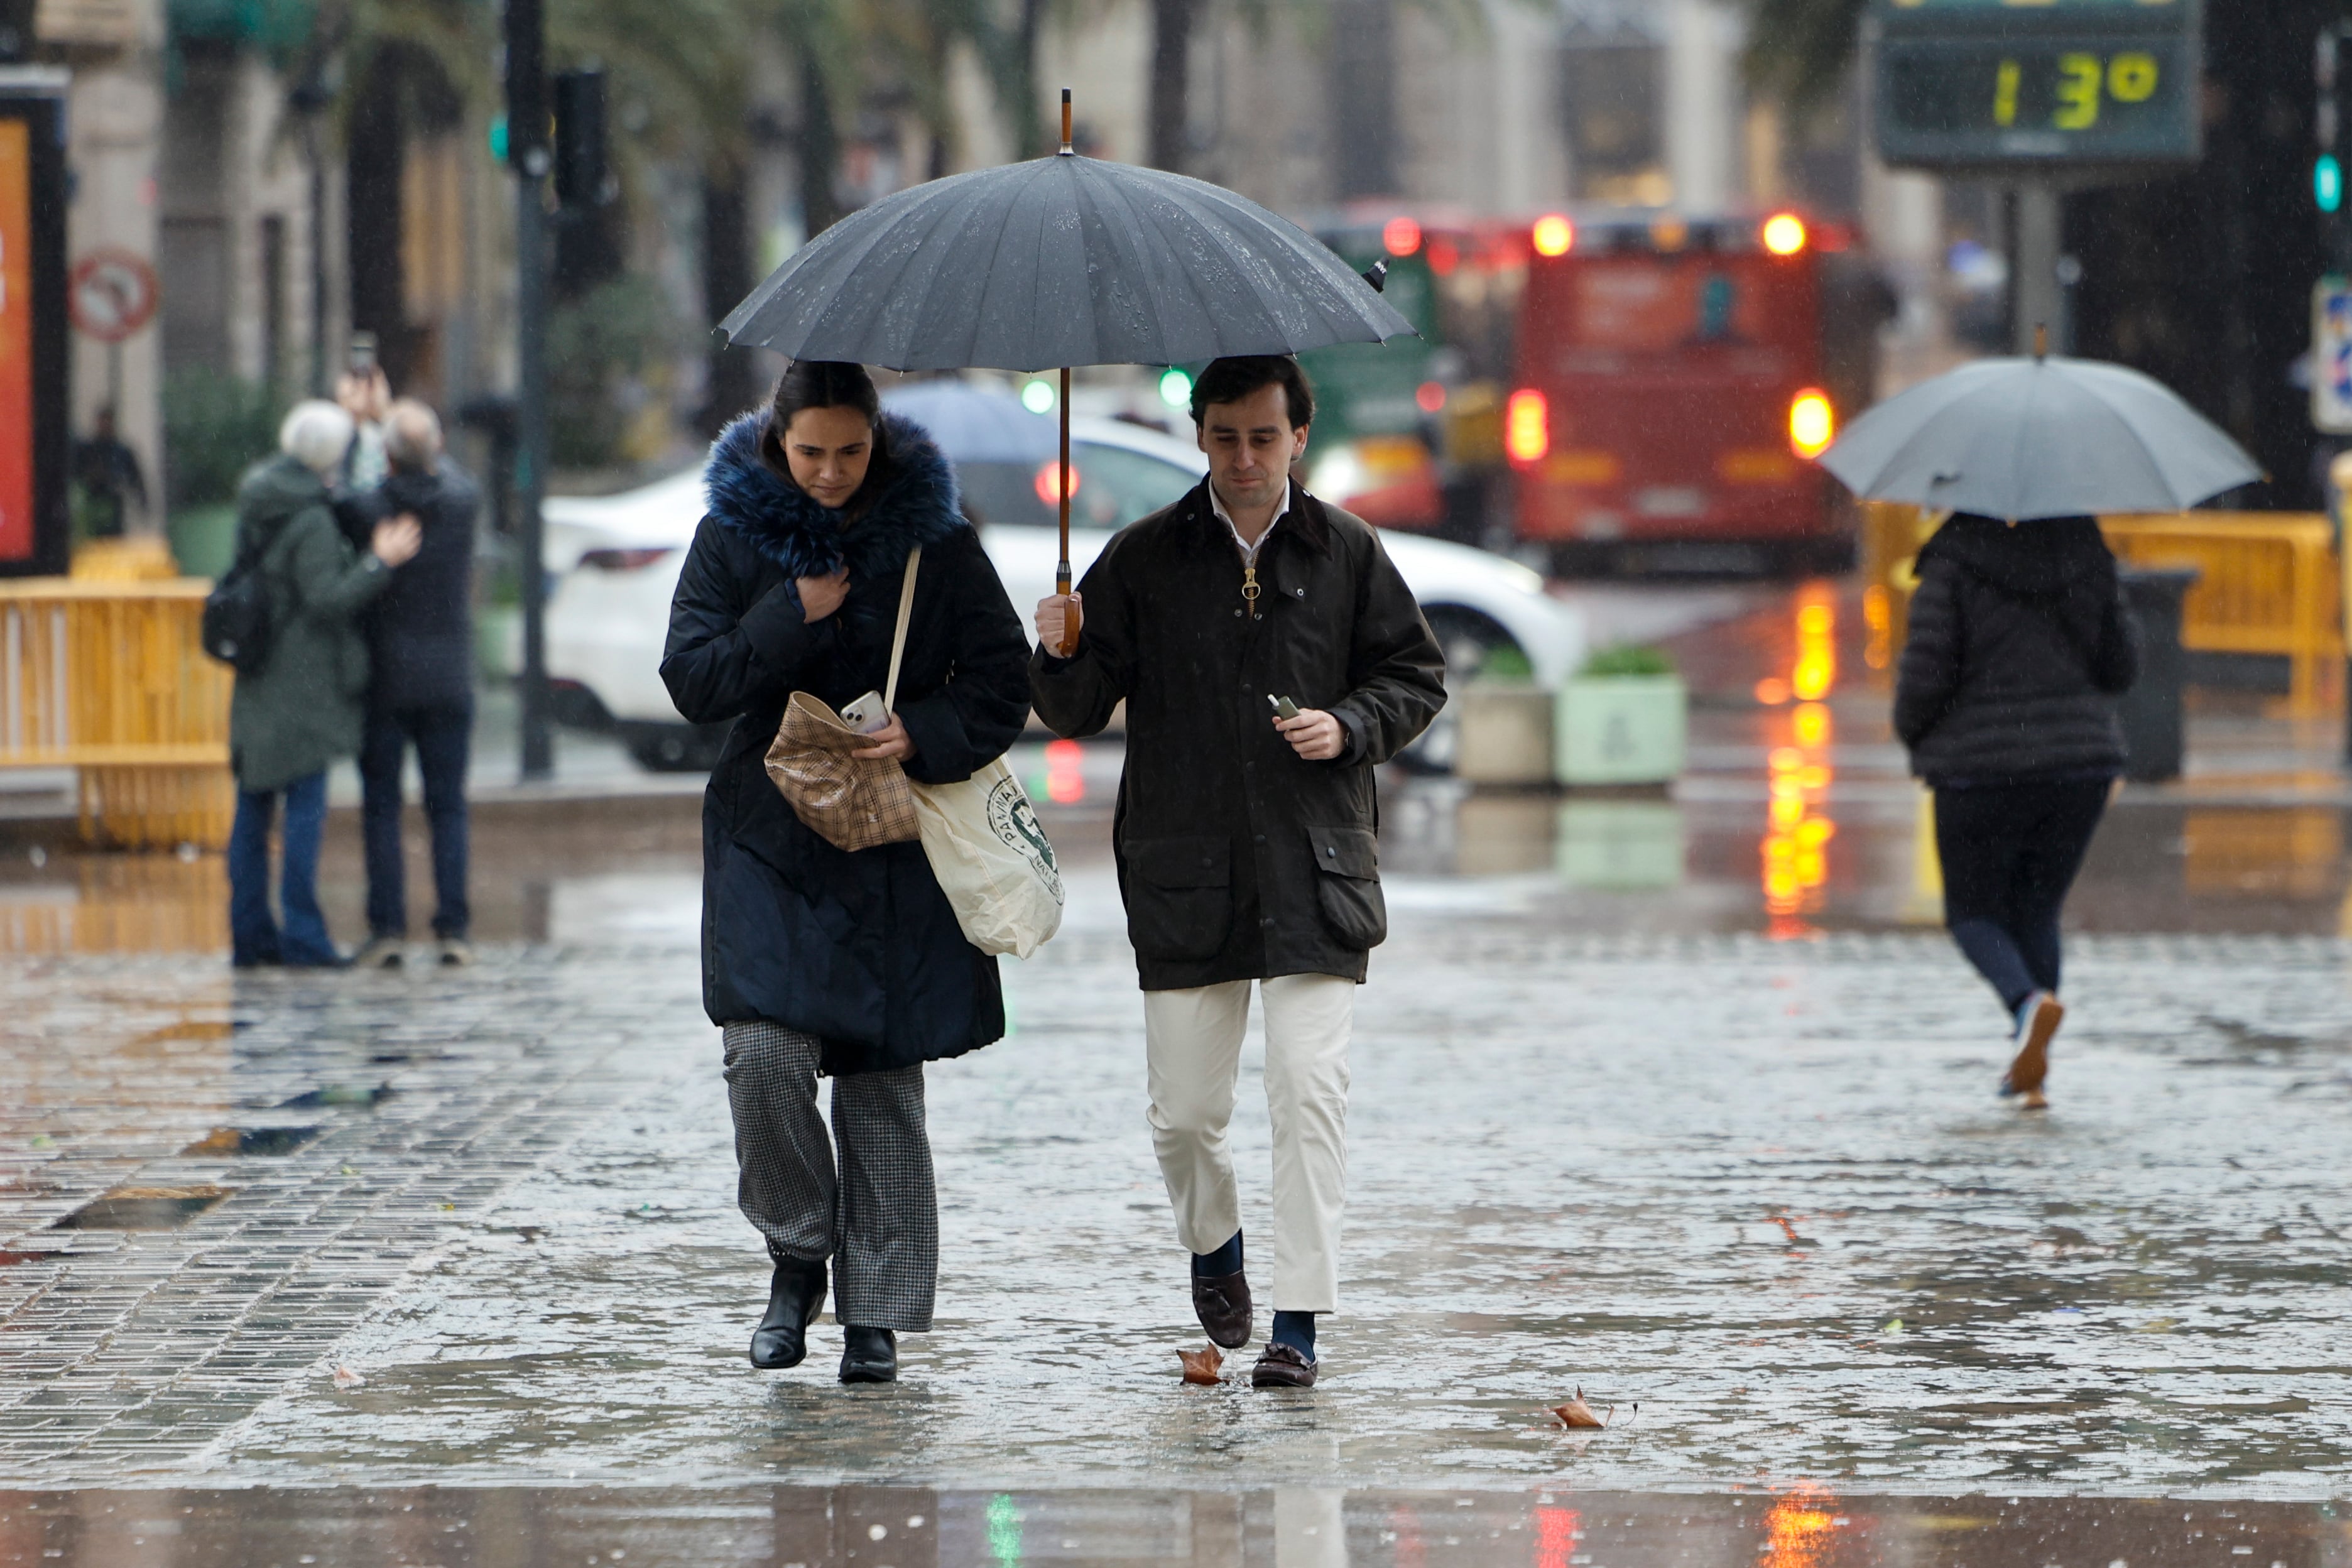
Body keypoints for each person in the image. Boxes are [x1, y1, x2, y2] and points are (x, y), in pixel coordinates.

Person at [1029, 355, 1446, 1388]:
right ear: (1199, 436)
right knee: (1182, 1116)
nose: (1245, 458)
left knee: (1308, 1093)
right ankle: (1213, 1245)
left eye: (1264, 437)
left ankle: (1298, 1324)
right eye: (1224, 437)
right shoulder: (1143, 556)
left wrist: (1348, 725)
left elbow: (1414, 675)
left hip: (1316, 868)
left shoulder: (1346, 550)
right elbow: (1074, 712)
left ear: (1299, 436)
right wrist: (1060, 650)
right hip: (1184, 873)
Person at [660, 361, 1030, 1385]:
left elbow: (1002, 679)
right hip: (766, 838)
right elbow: (691, 678)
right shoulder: (733, 534)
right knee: (760, 1057)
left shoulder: (933, 540)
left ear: (877, 440)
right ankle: (797, 1255)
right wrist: (790, 610)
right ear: (776, 443)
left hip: (891, 840)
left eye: (850, 452)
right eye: (809, 452)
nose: (829, 472)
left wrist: (924, 730)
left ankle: (877, 1313)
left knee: (881, 1081)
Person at [1894, 512, 2139, 1110]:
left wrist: (1913, 731)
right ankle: (2035, 1073)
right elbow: (2121, 667)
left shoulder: (1953, 560)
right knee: (2037, 909)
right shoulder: (2086, 550)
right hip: (2079, 765)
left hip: (1980, 769)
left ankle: (2026, 1004)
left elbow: (1927, 673)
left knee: (1973, 913)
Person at [227, 401, 422, 969]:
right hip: (302, 685)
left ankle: (250, 935)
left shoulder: (260, 498)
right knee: (303, 812)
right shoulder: (310, 518)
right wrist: (378, 563)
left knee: (252, 809)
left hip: (259, 675)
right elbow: (326, 599)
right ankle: (305, 937)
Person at [349, 400, 481, 971]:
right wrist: (399, 427)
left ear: (387, 456)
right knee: (447, 807)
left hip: (386, 679)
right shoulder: (463, 502)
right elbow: (448, 473)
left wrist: (363, 424)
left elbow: (349, 488)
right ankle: (454, 929)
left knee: (382, 807)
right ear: (438, 449)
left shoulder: (368, 510)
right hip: (449, 678)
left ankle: (388, 930)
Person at [70, 405, 148, 538]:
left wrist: (143, 505)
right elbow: (75, 475)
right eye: (103, 421)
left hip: (114, 506)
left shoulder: (122, 452)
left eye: (108, 421)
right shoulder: (86, 450)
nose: (105, 425)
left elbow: (136, 480)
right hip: (91, 505)